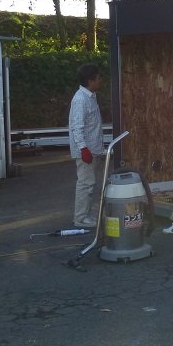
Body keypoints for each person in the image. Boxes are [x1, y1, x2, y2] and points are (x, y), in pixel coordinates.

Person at [68, 63, 104, 228]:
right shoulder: (81, 99)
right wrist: (83, 148)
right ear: (90, 80)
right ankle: (80, 218)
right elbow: (77, 126)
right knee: (85, 184)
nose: (100, 80)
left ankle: (85, 215)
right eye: (98, 78)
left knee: (89, 183)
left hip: (92, 149)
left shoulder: (90, 96)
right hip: (86, 151)